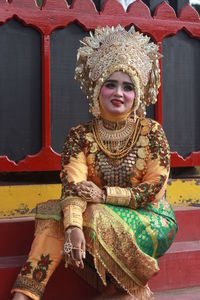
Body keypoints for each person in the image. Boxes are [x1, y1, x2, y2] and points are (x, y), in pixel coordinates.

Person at [11, 25, 177, 300]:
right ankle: (26, 294)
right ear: (97, 88)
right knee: (54, 215)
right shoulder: (80, 135)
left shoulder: (151, 132)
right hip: (92, 218)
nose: (119, 94)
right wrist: (73, 226)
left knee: (96, 213)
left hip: (151, 218)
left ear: (137, 96)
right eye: (110, 84)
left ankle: (125, 289)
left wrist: (104, 195)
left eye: (128, 87)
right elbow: (72, 185)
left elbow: (154, 189)